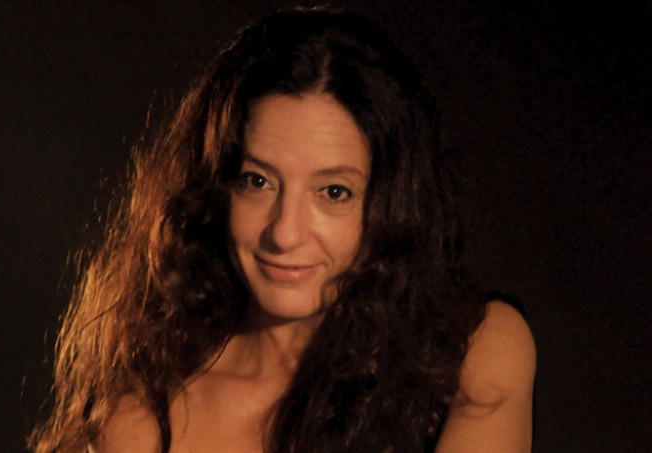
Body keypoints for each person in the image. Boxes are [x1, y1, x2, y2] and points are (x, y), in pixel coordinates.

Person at [31, 8, 535, 453]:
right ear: (215, 187)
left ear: (392, 203)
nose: (285, 233)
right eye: (258, 182)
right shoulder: (141, 412)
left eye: (333, 192)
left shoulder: (476, 350)